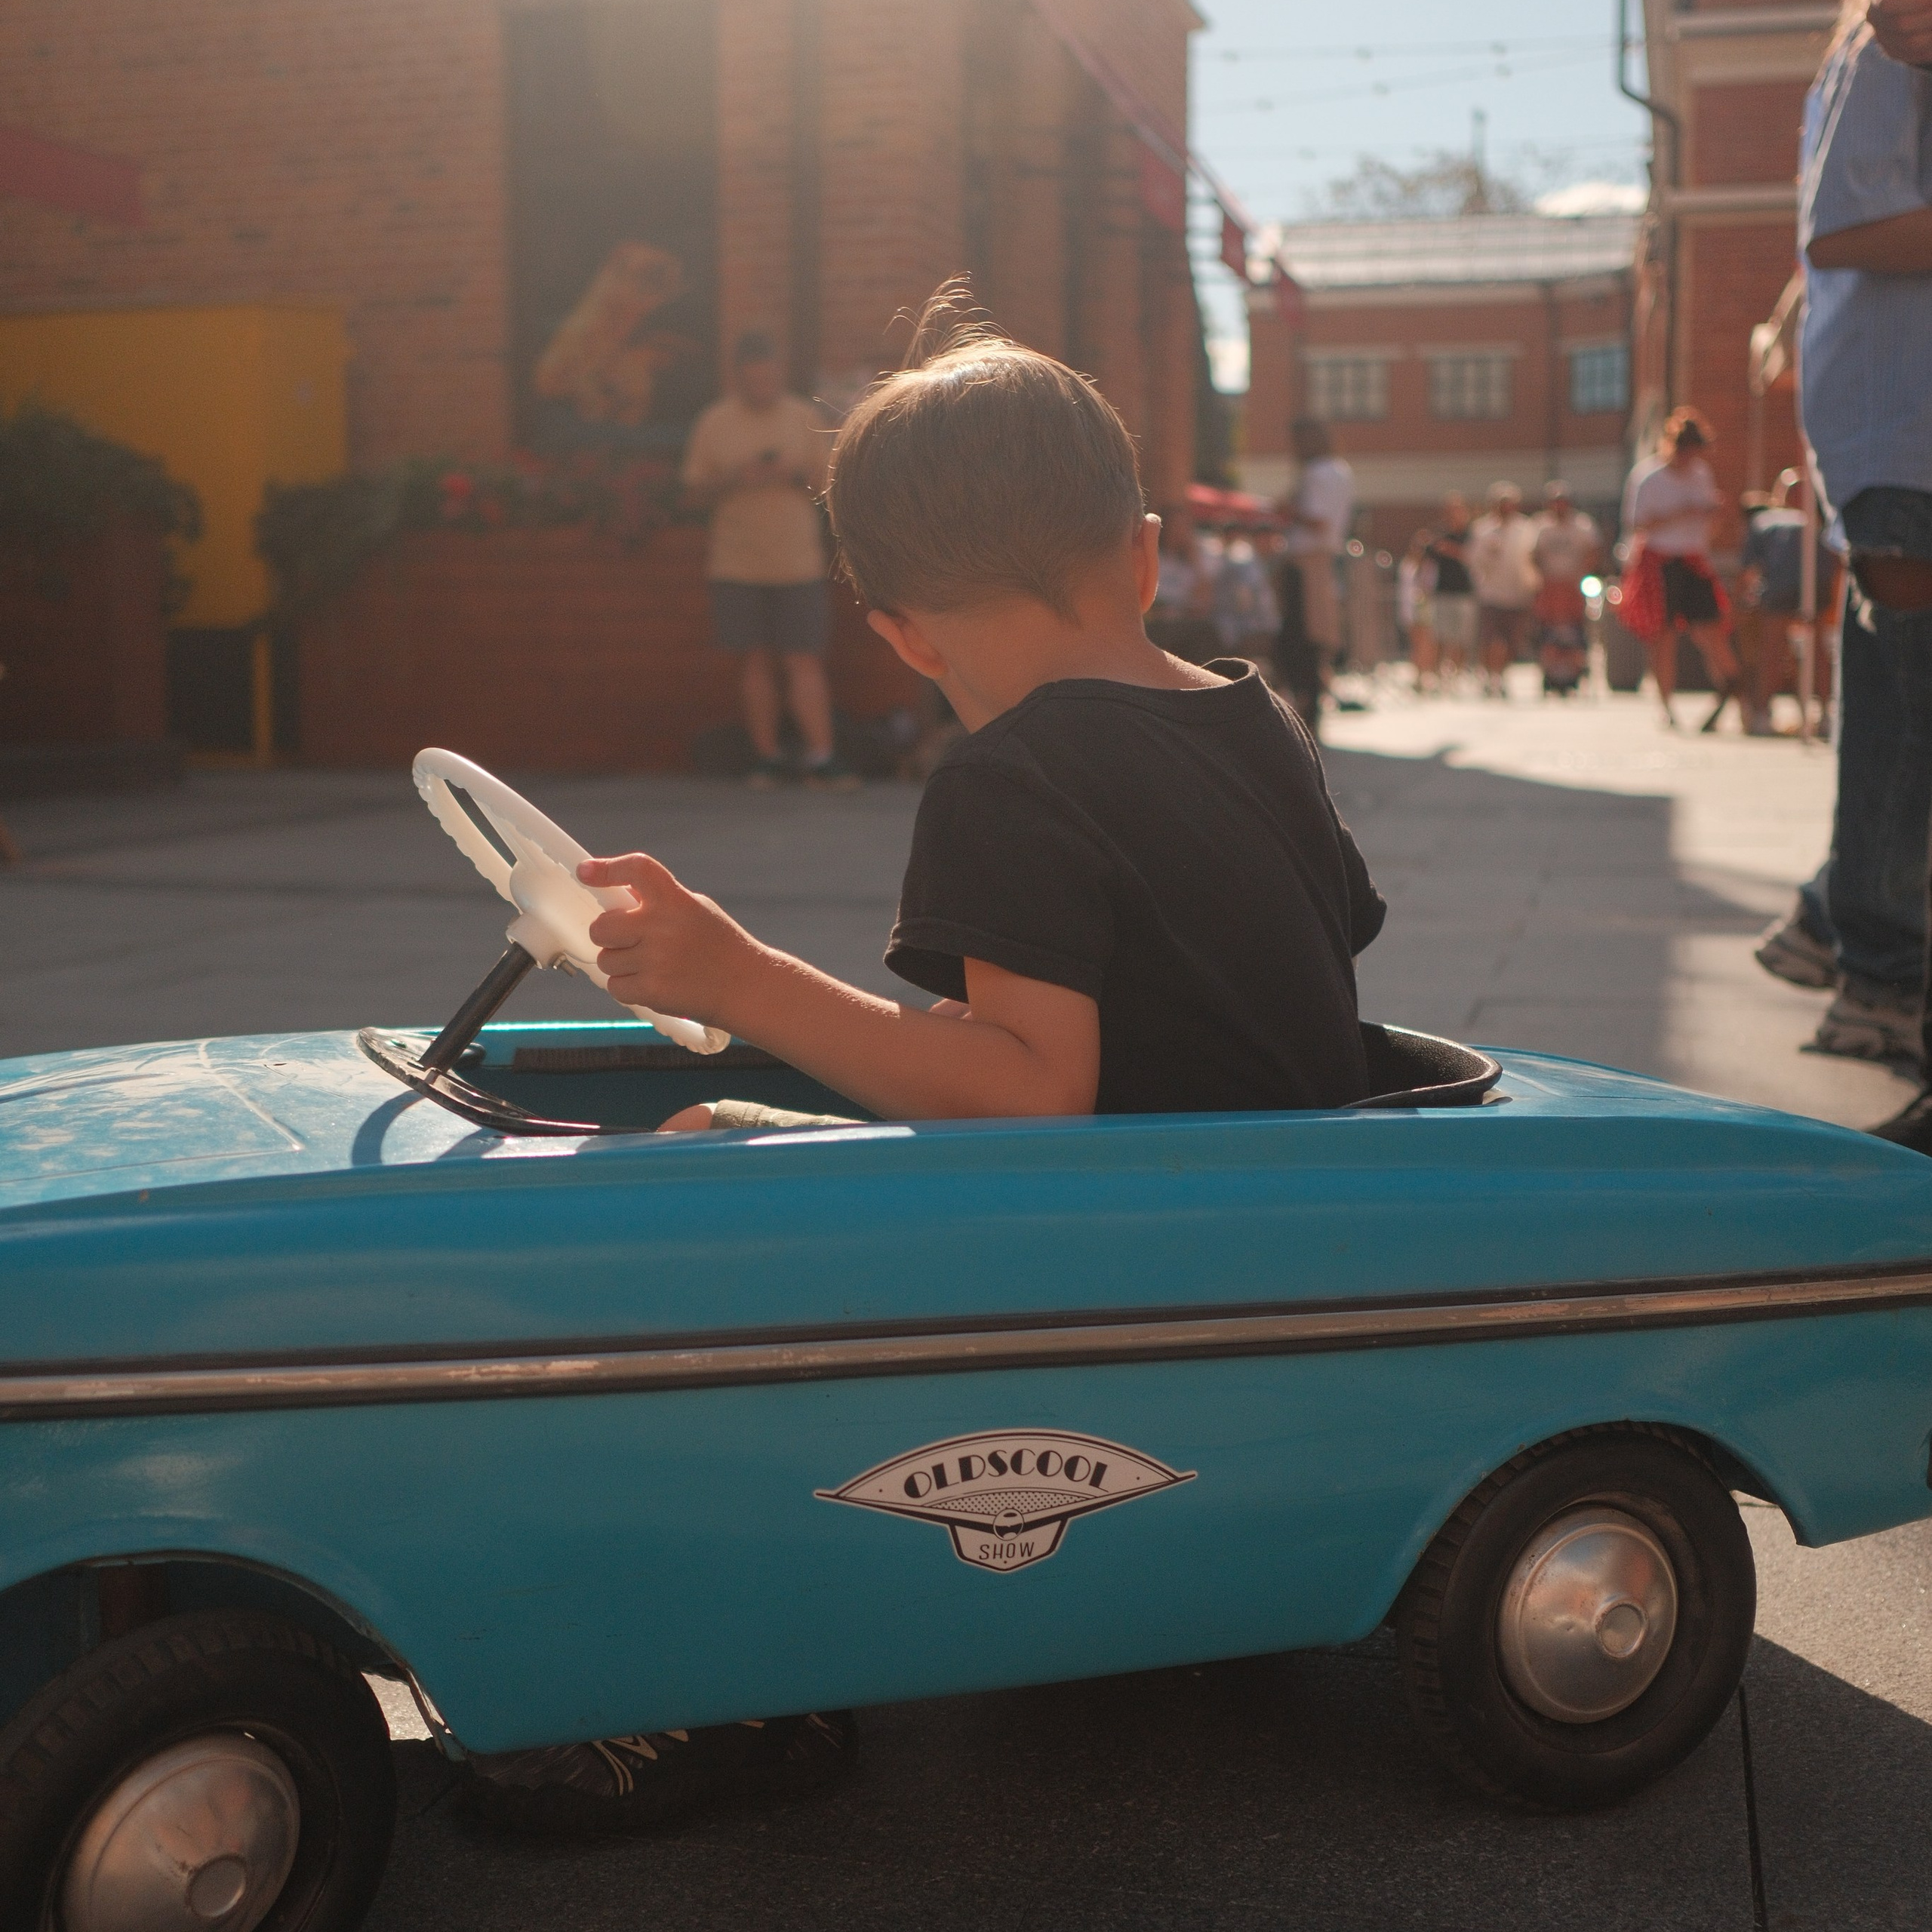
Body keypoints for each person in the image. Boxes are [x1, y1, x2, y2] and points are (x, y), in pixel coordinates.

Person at [1780, 4, 1932, 1143]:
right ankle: (1866, 946)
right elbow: (1844, 228)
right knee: (1904, 722)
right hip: (1905, 435)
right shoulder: (1893, 39)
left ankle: (1850, 927)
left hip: (1893, 437)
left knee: (1895, 716)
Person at [682, 330, 859, 790]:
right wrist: (737, 478)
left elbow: (831, 488)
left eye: (770, 379)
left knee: (804, 659)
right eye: (754, 381)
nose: (763, 388)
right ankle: (768, 759)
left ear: (780, 373)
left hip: (798, 562)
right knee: (754, 661)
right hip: (736, 563)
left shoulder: (804, 417)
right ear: (739, 378)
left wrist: (793, 474)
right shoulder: (714, 421)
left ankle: (822, 757)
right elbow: (693, 492)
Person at [1617, 411, 1745, 731]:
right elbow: (1637, 524)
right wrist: (1683, 513)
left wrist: (1714, 517)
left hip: (1693, 559)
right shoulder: (1648, 477)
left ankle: (1733, 695)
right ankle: (1666, 705)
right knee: (1664, 638)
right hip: (1660, 561)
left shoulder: (1701, 474)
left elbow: (1710, 529)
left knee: (1712, 631)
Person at [1736, 471, 1837, 737]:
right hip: (1816, 582)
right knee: (1817, 649)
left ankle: (1761, 715)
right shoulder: (1816, 522)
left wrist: (1745, 602)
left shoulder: (1764, 520)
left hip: (1780, 587)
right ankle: (1826, 715)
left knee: (1772, 649)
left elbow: (1748, 569)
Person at [1275, 417, 1355, 726]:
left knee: (1300, 640)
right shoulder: (1341, 471)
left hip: (1306, 563)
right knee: (1315, 638)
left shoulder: (1317, 473)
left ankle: (1305, 708)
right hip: (1323, 562)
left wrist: (1287, 510)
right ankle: (1310, 707)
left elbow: (1318, 521)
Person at [1528, 481, 1602, 698]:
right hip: (1550, 589)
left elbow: (1593, 552)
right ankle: (1550, 674)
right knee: (1547, 633)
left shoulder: (1583, 526)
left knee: (1576, 632)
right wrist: (1542, 579)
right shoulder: (1541, 527)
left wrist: (1579, 576)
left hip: (1574, 589)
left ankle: (1575, 673)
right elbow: (1533, 555)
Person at [1468, 483, 1541, 697]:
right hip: (1492, 593)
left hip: (1518, 594)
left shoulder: (1526, 528)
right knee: (1492, 639)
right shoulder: (1482, 529)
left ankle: (1501, 673)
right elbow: (1474, 561)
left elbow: (1533, 557)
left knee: (1512, 640)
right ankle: (1491, 676)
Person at [1146, 503, 1221, 665]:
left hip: (1185, 620)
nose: (1180, 532)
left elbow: (1204, 602)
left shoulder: (1192, 563)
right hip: (1158, 622)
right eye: (1176, 526)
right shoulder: (1155, 558)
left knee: (1207, 630)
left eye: (1185, 526)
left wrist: (1194, 558)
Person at [1423, 495, 1478, 682]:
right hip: (1443, 592)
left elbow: (1474, 558)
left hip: (1464, 592)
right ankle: (1437, 674)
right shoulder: (1439, 535)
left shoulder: (1472, 535)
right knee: (1440, 636)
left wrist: (1453, 551)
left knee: (1463, 637)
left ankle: (1459, 672)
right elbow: (1428, 563)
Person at [1213, 521, 1283, 666]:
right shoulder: (1244, 563)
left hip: (1259, 627)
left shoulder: (1264, 563)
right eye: (1266, 538)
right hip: (1244, 629)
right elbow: (1243, 602)